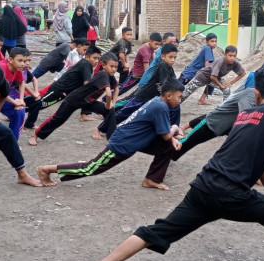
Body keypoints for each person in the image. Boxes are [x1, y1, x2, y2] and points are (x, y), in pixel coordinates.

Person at [86, 65, 264, 261]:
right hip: (231, 195)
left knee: (159, 229)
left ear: (257, 93)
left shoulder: (246, 116)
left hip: (203, 187)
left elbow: (261, 166)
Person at [37, 79, 184, 189]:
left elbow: (164, 132)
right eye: (179, 96)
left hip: (135, 140)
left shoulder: (158, 103)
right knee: (91, 168)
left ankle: (152, 179)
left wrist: (172, 139)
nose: (180, 100)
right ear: (169, 95)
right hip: (123, 143)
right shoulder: (160, 107)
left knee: (167, 147)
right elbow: (166, 134)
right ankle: (47, 169)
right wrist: (175, 127)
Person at [30, 52, 119, 146]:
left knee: (110, 111)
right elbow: (109, 94)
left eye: (116, 67)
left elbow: (116, 88)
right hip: (74, 100)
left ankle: (110, 139)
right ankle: (35, 135)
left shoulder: (110, 76)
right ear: (104, 65)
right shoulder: (103, 74)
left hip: (88, 102)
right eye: (111, 66)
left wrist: (113, 102)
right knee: (56, 120)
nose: (114, 69)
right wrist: (109, 104)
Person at [94, 43, 180, 139]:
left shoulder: (169, 68)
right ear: (163, 56)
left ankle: (173, 132)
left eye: (174, 57)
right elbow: (166, 84)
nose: (172, 60)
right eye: (170, 57)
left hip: (152, 99)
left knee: (174, 108)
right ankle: (99, 129)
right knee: (123, 113)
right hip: (142, 97)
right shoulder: (163, 65)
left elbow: (174, 82)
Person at [0, 47, 27, 141]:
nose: (22, 64)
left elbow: (22, 82)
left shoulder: (17, 68)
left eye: (24, 61)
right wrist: (15, 102)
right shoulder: (2, 68)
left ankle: (12, 141)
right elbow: (1, 92)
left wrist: (21, 100)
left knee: (20, 111)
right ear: (11, 59)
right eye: (20, 60)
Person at [181, 45, 245, 103]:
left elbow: (243, 73)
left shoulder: (235, 62)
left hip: (214, 78)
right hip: (202, 77)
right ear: (225, 54)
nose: (232, 58)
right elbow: (213, 77)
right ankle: (173, 107)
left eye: (234, 56)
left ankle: (225, 109)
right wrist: (220, 85)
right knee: (184, 95)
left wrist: (231, 83)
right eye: (230, 55)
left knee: (226, 90)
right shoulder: (221, 61)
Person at [116, 32, 162, 97]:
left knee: (136, 94)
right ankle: (105, 99)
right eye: (156, 44)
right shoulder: (145, 51)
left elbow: (154, 58)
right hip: (136, 75)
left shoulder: (150, 46)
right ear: (150, 41)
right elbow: (147, 70)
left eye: (159, 45)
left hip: (141, 75)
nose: (157, 46)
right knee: (122, 89)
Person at [179, 33, 218, 105]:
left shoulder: (208, 49)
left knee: (212, 81)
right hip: (189, 74)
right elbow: (207, 64)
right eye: (212, 41)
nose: (214, 43)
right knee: (177, 90)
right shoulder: (207, 48)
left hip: (194, 74)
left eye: (215, 41)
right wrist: (210, 75)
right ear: (207, 42)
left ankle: (202, 100)